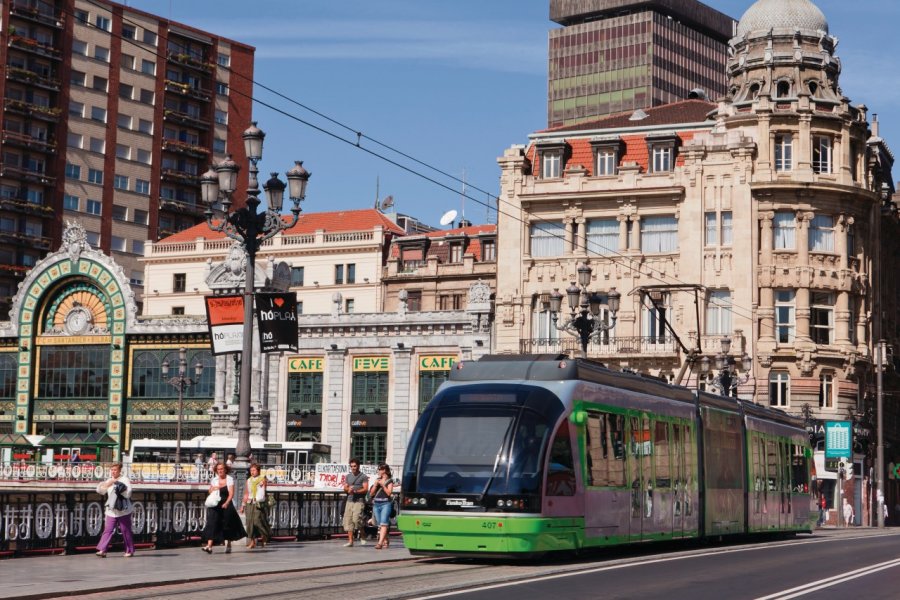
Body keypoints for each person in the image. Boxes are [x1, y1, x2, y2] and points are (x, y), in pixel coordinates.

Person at [201, 463, 246, 553]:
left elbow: (231, 494)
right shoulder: (214, 480)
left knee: (227, 524)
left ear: (225, 469)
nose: (220, 471)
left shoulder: (229, 479)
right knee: (212, 522)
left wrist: (226, 503)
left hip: (226, 503)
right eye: (218, 469)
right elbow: (210, 491)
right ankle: (209, 546)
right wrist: (212, 489)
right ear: (216, 470)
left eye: (221, 469)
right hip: (216, 504)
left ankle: (228, 544)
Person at [95, 463, 134, 558]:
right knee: (108, 530)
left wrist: (121, 488)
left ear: (120, 470)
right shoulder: (110, 480)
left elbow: (128, 494)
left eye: (115, 470)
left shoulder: (124, 480)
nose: (113, 471)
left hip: (123, 510)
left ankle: (129, 550)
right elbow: (100, 491)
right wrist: (108, 484)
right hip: (111, 510)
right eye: (112, 470)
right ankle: (102, 550)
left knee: (125, 530)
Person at [240, 463, 272, 549]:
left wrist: (262, 485)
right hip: (249, 503)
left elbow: (263, 492)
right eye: (251, 470)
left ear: (258, 471)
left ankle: (265, 535)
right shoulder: (249, 480)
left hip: (258, 503)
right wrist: (243, 505)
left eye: (254, 470)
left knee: (257, 520)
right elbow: (246, 494)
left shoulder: (262, 479)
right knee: (249, 522)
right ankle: (252, 542)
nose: (252, 472)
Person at [342, 458, 368, 547]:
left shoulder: (363, 476)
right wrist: (348, 489)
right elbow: (345, 487)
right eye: (352, 466)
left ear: (358, 466)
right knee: (348, 520)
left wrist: (356, 491)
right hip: (350, 500)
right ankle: (350, 541)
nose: (353, 468)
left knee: (356, 519)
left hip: (359, 501)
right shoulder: (348, 476)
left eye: (355, 466)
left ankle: (363, 534)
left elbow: (365, 489)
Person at [368, 463, 395, 550]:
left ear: (384, 471)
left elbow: (389, 493)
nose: (378, 471)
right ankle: (386, 539)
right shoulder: (377, 479)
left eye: (380, 469)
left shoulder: (389, 481)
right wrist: (376, 485)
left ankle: (379, 543)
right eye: (378, 469)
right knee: (380, 524)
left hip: (385, 504)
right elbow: (371, 494)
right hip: (376, 504)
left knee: (384, 523)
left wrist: (383, 485)